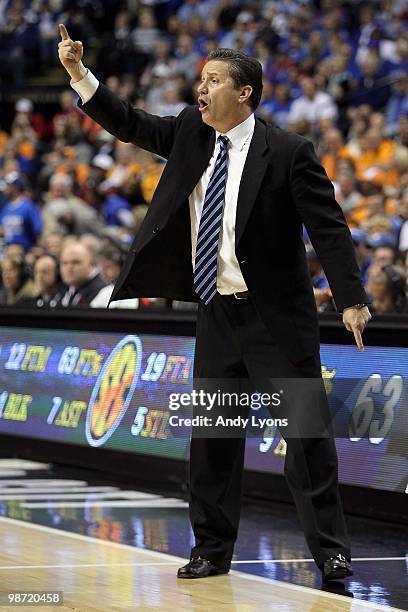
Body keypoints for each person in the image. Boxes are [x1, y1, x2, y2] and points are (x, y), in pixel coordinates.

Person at [58, 26, 371, 582]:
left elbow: (331, 230)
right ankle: (211, 548)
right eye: (201, 80)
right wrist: (81, 75)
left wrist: (351, 299)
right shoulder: (189, 132)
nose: (200, 89)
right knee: (213, 440)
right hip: (218, 313)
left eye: (213, 81)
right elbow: (129, 123)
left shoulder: (289, 152)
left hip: (277, 319)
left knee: (305, 440)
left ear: (244, 92)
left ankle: (331, 551)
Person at [56, 242, 106, 307]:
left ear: (90, 263)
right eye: (65, 263)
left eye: (76, 262)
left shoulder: (103, 291)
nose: (69, 268)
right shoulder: (65, 290)